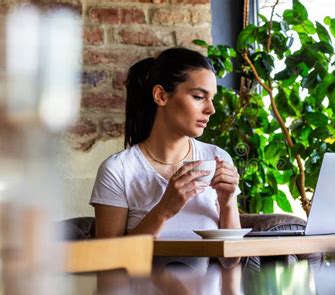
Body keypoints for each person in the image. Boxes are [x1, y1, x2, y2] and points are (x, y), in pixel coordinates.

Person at [89, 47, 241, 269]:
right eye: (199, 97)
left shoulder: (217, 158)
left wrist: (227, 202)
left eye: (211, 98)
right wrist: (165, 209)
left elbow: (231, 261)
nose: (211, 109)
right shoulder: (118, 169)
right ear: (161, 96)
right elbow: (108, 263)